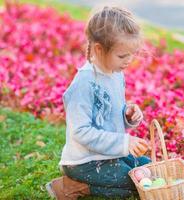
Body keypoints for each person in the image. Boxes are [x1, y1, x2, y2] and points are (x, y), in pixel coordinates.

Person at [46, 6, 151, 199]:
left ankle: (93, 180)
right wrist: (123, 142)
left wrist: (127, 114)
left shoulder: (115, 73)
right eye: (122, 56)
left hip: (108, 154)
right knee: (137, 183)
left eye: (131, 54)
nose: (128, 61)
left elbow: (108, 114)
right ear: (99, 49)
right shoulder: (84, 84)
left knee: (148, 168)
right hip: (85, 161)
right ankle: (71, 186)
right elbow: (81, 132)